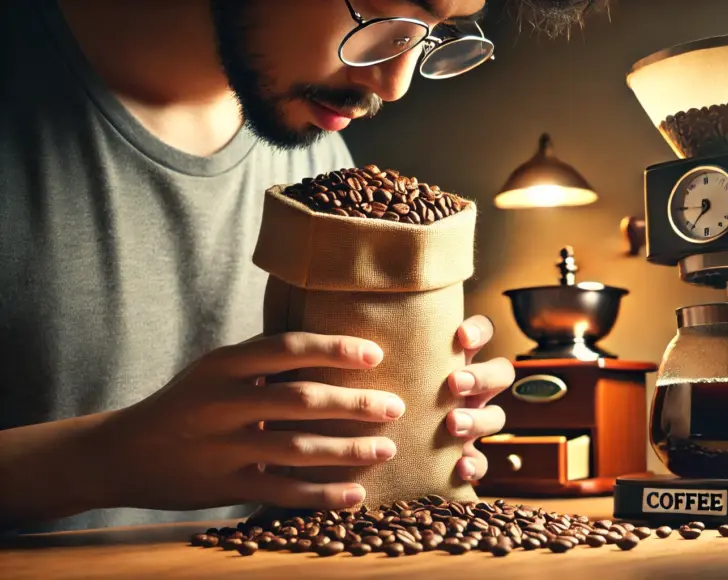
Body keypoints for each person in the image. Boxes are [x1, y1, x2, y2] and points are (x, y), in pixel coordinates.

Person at [0, 0, 606, 534]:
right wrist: (103, 461)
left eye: (433, 29)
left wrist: (421, 429)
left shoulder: (322, 164)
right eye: (380, 10)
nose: (394, 84)